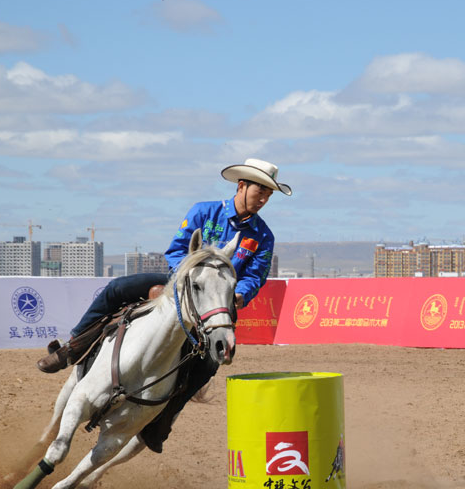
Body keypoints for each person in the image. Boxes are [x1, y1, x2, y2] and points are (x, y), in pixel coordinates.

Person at [35, 158, 292, 450]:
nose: (264, 199)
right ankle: (71, 349)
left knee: (210, 361)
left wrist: (239, 294)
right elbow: (177, 249)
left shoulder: (263, 237)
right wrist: (183, 280)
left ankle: (165, 416)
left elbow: (256, 276)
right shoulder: (204, 212)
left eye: (269, 194)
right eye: (261, 190)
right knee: (118, 288)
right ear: (242, 185)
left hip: (214, 304)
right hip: (180, 284)